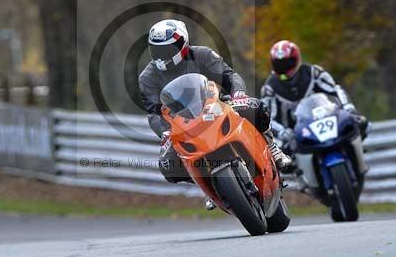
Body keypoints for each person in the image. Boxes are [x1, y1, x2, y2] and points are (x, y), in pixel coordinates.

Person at [138, 19, 293, 198]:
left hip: (217, 106)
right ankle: (210, 187)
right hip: (183, 125)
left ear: (183, 43)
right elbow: (153, 112)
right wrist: (165, 132)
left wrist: (239, 94)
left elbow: (229, 76)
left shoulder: (203, 54)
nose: (161, 55)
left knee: (257, 107)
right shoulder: (147, 78)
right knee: (168, 166)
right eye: (156, 49)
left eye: (167, 49)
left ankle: (272, 147)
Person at [260, 39, 369, 176]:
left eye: (288, 63)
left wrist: (348, 108)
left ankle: (357, 159)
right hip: (294, 132)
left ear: (297, 59)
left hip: (323, 118)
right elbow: (266, 116)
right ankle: (302, 180)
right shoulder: (269, 87)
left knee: (361, 122)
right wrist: (282, 132)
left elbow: (336, 90)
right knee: (280, 156)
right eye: (280, 65)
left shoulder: (314, 72)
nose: (285, 68)